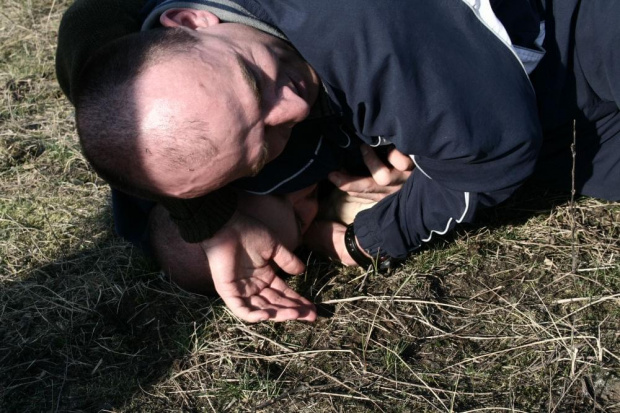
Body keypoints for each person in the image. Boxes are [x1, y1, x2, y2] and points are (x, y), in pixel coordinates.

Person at [56, 0, 619, 323]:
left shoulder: (349, 33)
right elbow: (90, 33)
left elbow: (492, 156)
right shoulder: (181, 103)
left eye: (255, 83)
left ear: (189, 20)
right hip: (566, 126)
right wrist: (208, 222)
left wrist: (357, 240)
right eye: (263, 148)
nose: (294, 105)